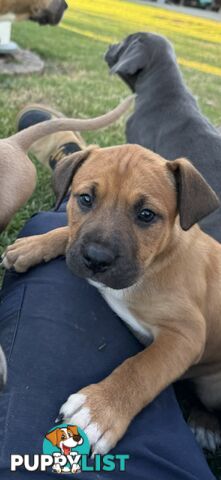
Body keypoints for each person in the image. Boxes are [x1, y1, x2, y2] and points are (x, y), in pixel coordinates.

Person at [0, 99, 215, 479]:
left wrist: (121, 395)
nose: (100, 248)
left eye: (145, 216)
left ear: (183, 212)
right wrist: (59, 239)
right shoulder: (101, 241)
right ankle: (71, 167)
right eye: (86, 199)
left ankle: (205, 415)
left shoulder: (181, 269)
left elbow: (188, 337)